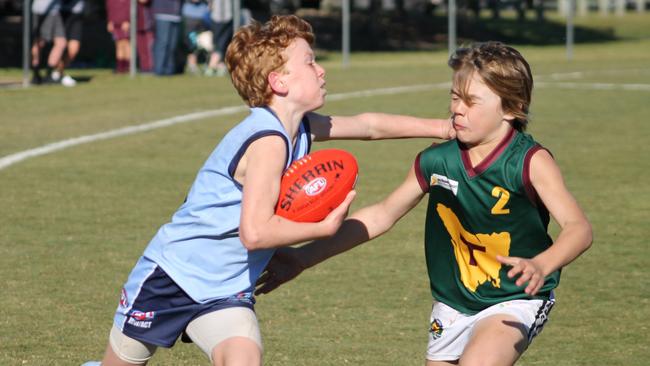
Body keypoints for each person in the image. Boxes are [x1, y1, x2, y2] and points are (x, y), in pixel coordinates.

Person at [82, 15, 454, 366]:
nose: (321, 69)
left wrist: (442, 128)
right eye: (310, 62)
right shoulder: (268, 140)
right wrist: (321, 229)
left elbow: (368, 125)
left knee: (244, 358)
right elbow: (255, 232)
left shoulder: (301, 128)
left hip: (227, 291)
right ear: (279, 81)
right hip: (171, 277)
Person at [256, 42, 593, 366]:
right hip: (453, 302)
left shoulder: (529, 161)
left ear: (510, 108)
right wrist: (302, 257)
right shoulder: (437, 160)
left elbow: (579, 229)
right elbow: (382, 215)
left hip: (514, 297)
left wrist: (542, 264)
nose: (457, 108)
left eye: (471, 101)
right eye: (454, 96)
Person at [31, 0, 67, 84]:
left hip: (54, 11)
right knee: (40, 42)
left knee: (61, 42)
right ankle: (36, 74)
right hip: (44, 11)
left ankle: (48, 74)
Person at [53, 0, 84, 86]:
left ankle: (58, 72)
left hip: (77, 15)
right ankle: (56, 74)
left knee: (74, 49)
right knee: (60, 46)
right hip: (61, 13)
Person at [152, 0, 183, 75]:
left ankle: (169, 70)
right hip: (163, 13)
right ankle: (159, 69)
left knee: (172, 45)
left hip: (176, 15)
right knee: (163, 43)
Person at [205, 0, 233, 77]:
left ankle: (218, 66)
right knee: (218, 44)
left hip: (227, 17)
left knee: (222, 44)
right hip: (216, 17)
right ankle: (212, 66)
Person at [105, 0, 130, 73]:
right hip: (115, 23)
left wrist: (127, 20)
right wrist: (110, 21)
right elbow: (109, 9)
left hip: (124, 23)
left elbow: (130, 8)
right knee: (119, 45)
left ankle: (128, 66)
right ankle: (120, 67)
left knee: (126, 44)